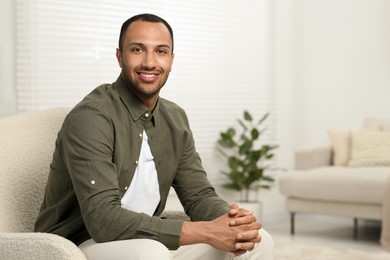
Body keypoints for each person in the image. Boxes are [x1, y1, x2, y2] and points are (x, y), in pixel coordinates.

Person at [35, 13, 273, 259]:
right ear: (120, 56)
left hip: (144, 239)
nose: (150, 62)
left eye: (160, 51)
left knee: (258, 240)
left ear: (171, 59)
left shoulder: (175, 118)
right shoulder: (91, 117)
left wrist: (233, 222)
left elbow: (199, 196)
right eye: (137, 49)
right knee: (152, 252)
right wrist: (206, 231)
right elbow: (103, 220)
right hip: (79, 242)